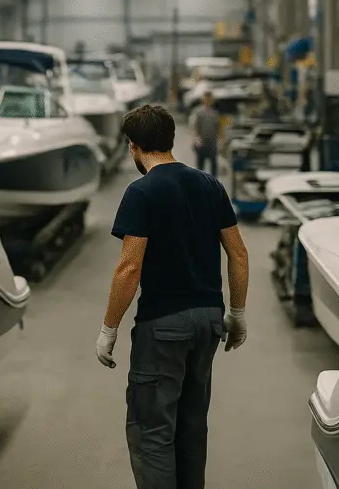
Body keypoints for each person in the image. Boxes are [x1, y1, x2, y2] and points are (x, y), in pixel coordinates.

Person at [95, 105, 250, 489]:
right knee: (191, 427)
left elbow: (129, 268)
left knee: (151, 432)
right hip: (208, 323)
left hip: (164, 326)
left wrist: (109, 329)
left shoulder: (142, 191)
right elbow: (238, 253)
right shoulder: (210, 185)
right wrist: (237, 313)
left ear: (134, 146)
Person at [189, 92, 221, 177]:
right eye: (206, 99)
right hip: (201, 142)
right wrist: (196, 139)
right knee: (200, 166)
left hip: (212, 142)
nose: (208, 101)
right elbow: (194, 126)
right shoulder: (198, 112)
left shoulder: (215, 113)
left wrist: (220, 141)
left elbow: (218, 128)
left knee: (214, 165)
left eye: (210, 99)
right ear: (203, 99)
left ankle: (213, 184)